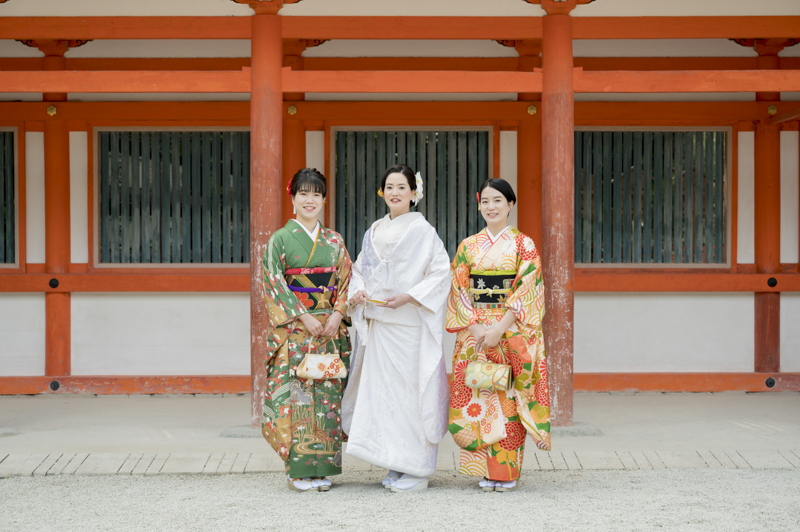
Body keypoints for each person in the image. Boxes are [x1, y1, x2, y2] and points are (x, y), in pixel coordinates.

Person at [342, 164, 451, 492]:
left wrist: (410, 296)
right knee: (384, 397)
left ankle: (417, 469)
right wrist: (357, 291)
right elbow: (358, 270)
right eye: (389, 187)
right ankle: (394, 462)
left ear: (414, 193)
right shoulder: (373, 230)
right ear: (382, 192)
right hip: (380, 326)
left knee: (410, 395)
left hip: (409, 325)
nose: (394, 192)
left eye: (402, 187)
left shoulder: (423, 231)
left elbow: (441, 273)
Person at [446, 178, 549, 492]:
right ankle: (482, 468)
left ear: (510, 204)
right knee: (478, 395)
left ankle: (505, 471)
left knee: (508, 398)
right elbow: (458, 289)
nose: (491, 207)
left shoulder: (524, 245)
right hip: (475, 332)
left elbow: (528, 289)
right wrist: (478, 329)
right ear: (479, 205)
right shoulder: (468, 246)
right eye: (485, 201)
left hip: (510, 330)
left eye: (498, 201)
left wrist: (499, 329)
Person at [261, 168, 352, 492]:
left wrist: (338, 313)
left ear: (324, 199)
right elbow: (273, 282)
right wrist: (303, 316)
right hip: (296, 333)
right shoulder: (280, 240)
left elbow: (347, 280)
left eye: (316, 194)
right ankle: (299, 470)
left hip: (328, 331)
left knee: (327, 397)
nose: (309, 200)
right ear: (293, 198)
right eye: (303, 193)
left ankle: (323, 467)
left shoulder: (334, 241)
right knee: (298, 397)